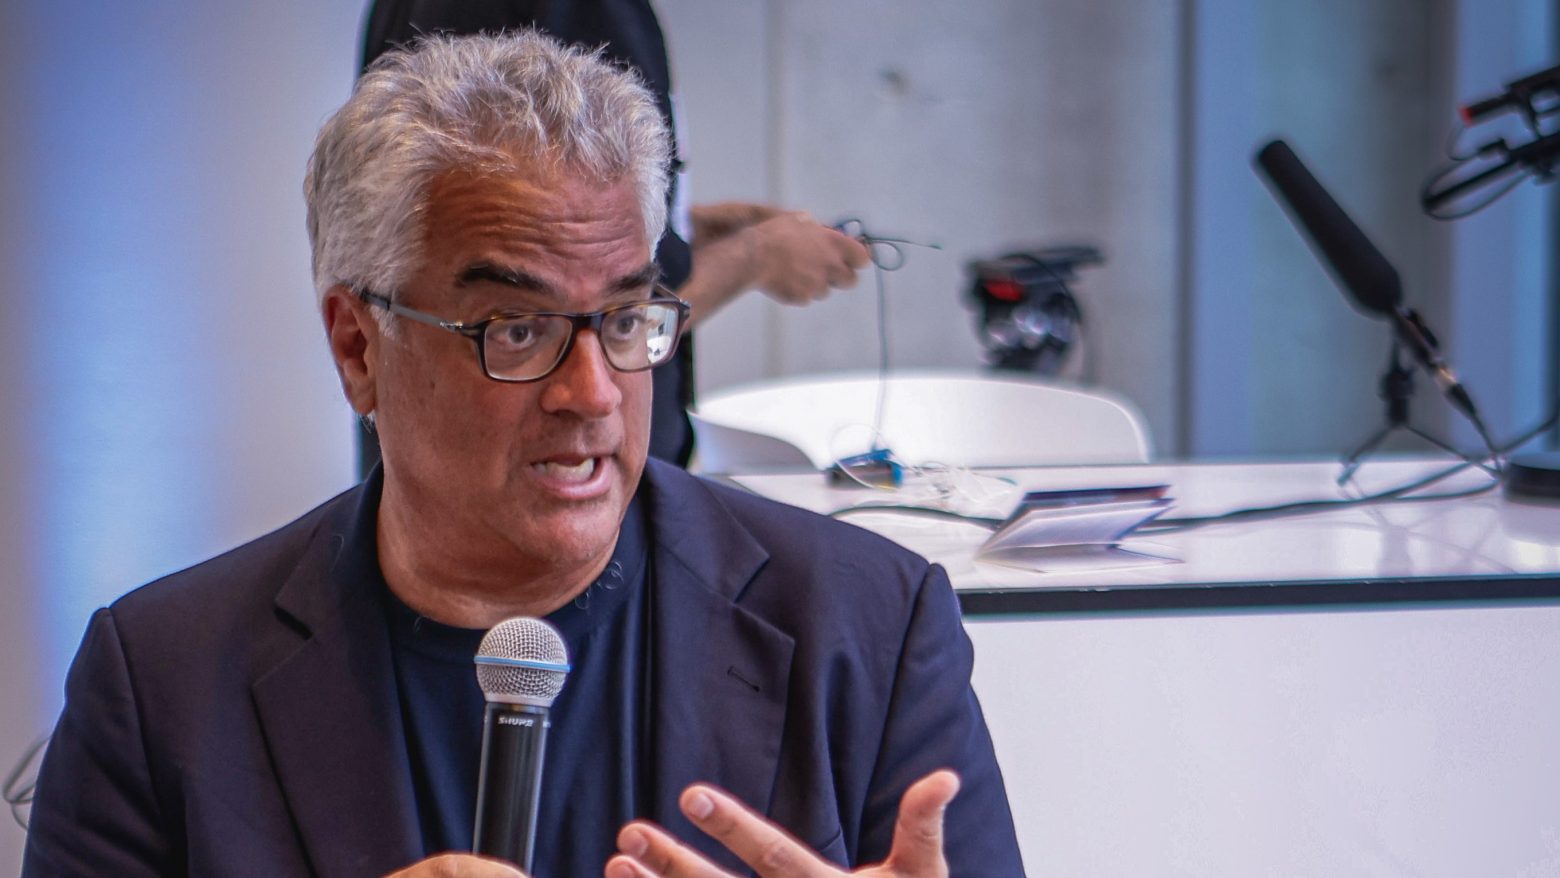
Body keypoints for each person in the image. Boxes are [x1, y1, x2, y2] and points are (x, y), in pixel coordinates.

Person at [21, 32, 1022, 877]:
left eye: (625, 318)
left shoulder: (867, 627)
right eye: (515, 328)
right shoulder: (163, 682)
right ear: (359, 347)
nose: (593, 392)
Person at [360, 0, 872, 469]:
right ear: (353, 343)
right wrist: (757, 256)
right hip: (539, 476)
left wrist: (686, 227)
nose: (597, 394)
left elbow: (508, 223)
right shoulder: (578, 8)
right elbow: (560, 288)